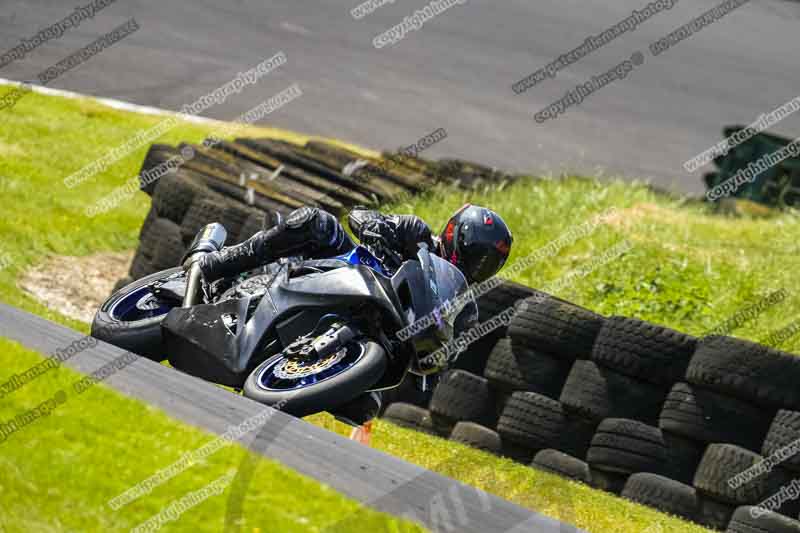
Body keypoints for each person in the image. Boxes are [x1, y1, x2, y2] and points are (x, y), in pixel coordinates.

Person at [195, 204, 513, 431]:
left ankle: (290, 370)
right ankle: (218, 263)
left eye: (487, 263)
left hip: (379, 339)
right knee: (315, 222)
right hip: (342, 274)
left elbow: (446, 354)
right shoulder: (415, 233)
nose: (478, 264)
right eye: (475, 253)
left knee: (362, 408)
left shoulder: (463, 307)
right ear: (456, 234)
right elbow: (360, 215)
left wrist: (435, 359)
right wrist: (376, 231)